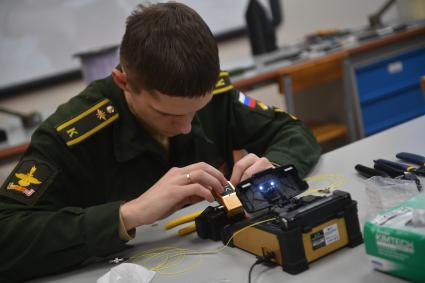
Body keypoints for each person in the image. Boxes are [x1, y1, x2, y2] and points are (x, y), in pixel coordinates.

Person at [0, 2, 320, 281]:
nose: (185, 127)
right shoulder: (72, 134)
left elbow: (293, 132)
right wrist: (127, 215)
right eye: (167, 114)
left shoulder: (216, 96)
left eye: (196, 110)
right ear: (124, 82)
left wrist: (274, 167)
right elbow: (7, 235)